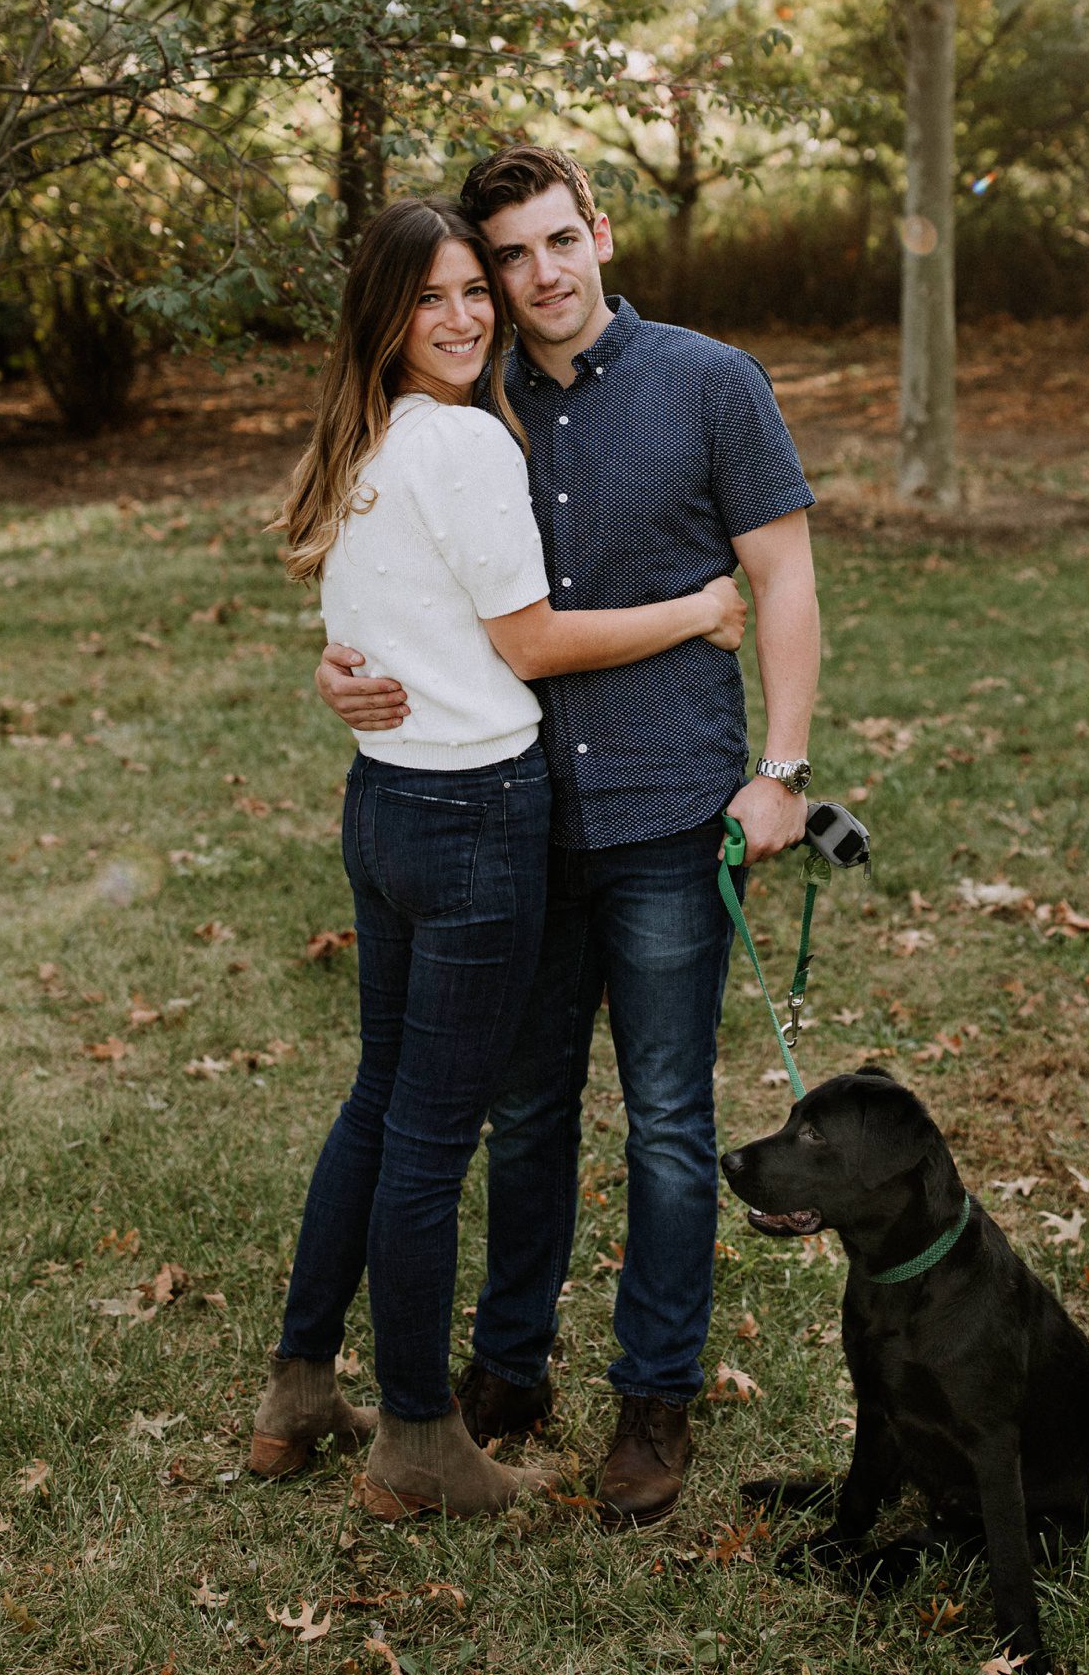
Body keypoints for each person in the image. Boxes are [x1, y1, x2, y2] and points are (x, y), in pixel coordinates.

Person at [316, 143, 820, 1528]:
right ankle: (508, 1369)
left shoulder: (713, 383)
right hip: (521, 816)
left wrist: (782, 767)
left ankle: (654, 1394)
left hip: (669, 811)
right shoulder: (472, 400)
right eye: (506, 260)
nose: (536, 279)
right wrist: (343, 668)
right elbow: (413, 576)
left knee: (666, 1118)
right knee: (523, 1112)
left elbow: (780, 579)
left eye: (557, 242)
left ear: (601, 232)